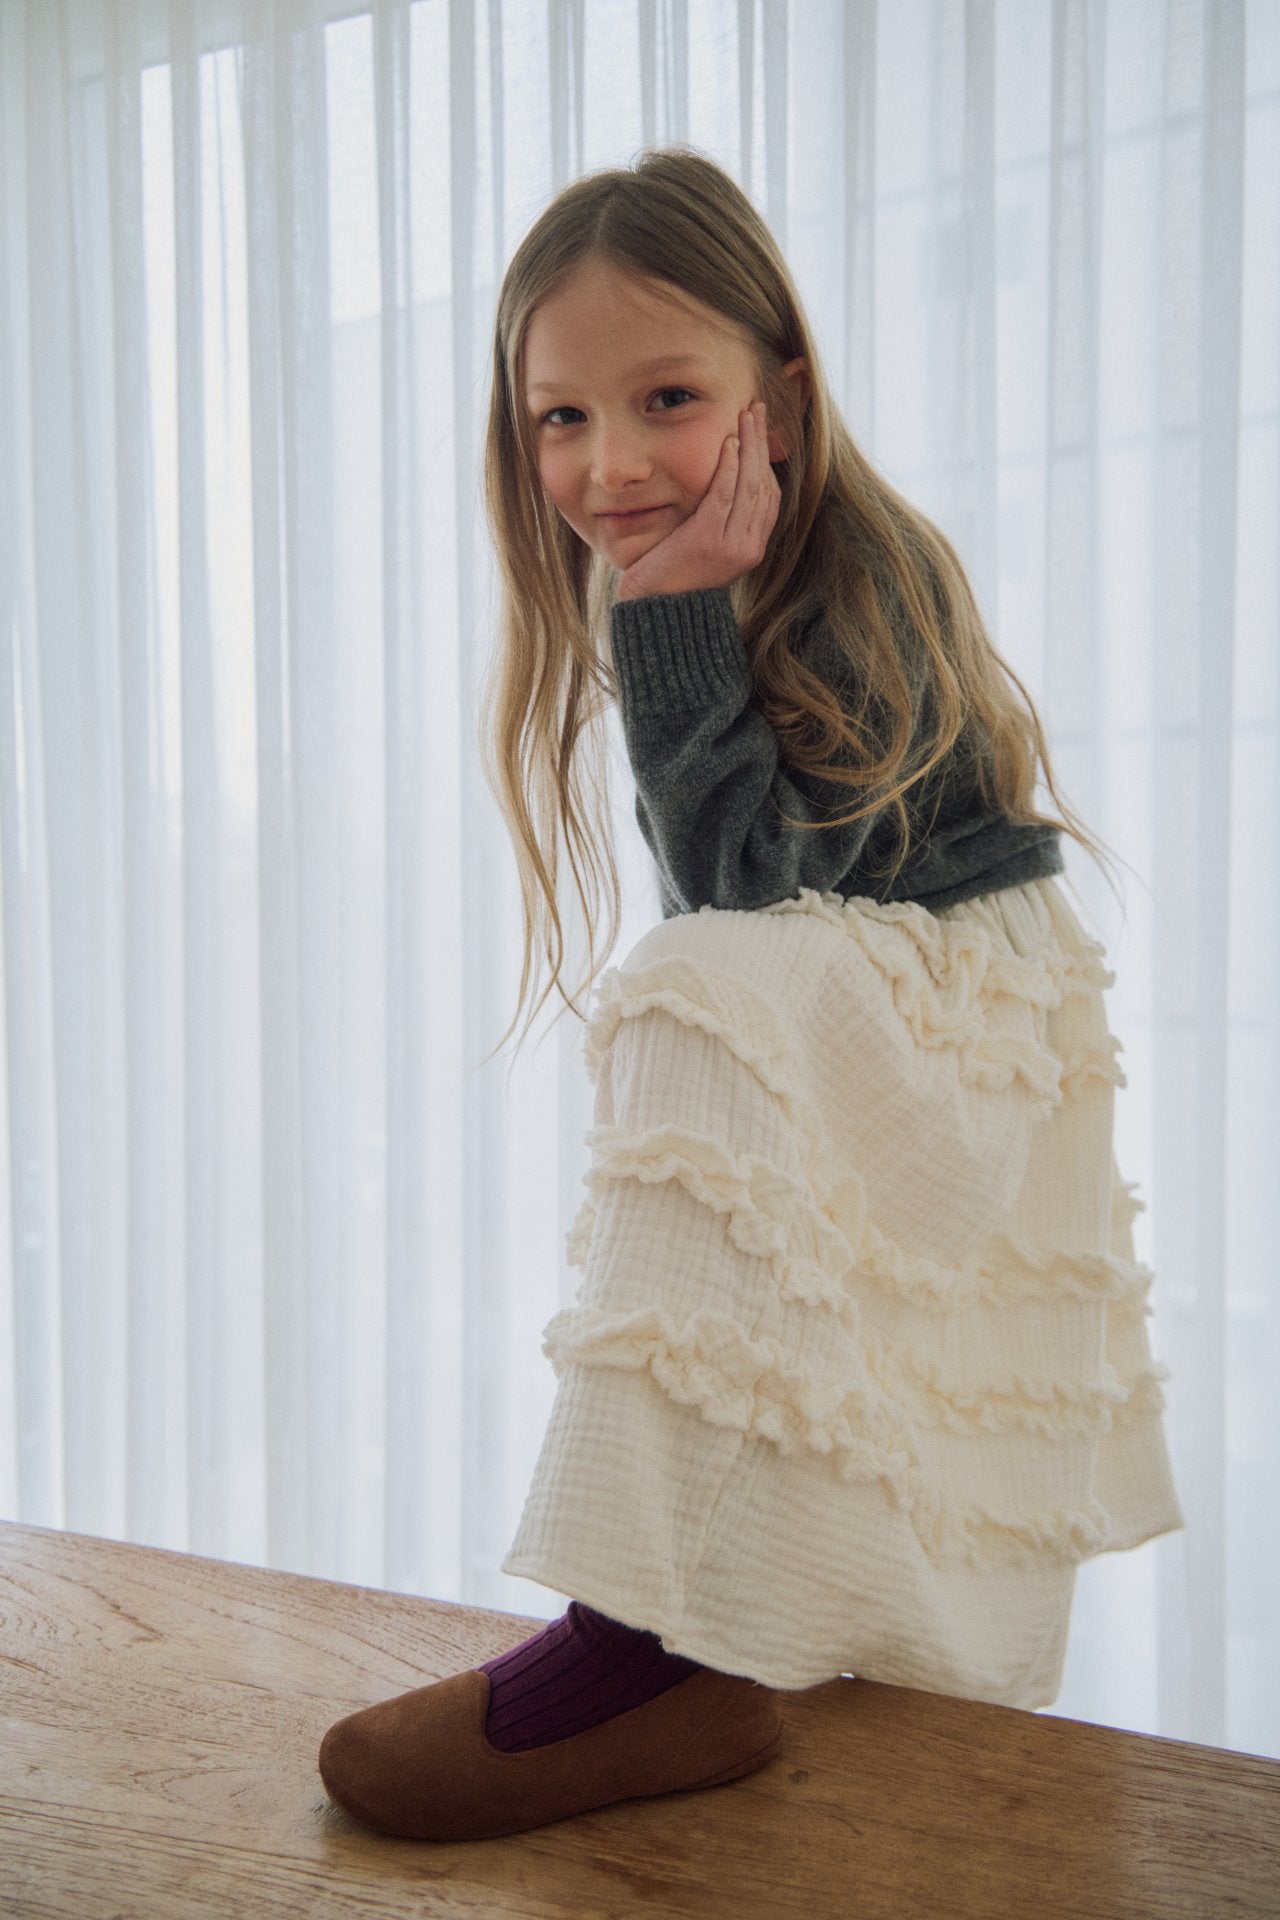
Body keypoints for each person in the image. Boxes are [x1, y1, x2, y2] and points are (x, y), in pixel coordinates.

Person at [318, 146, 1183, 1845]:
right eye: (561, 418)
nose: (611, 463)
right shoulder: (697, 575)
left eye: (667, 399)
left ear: (778, 402)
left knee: (695, 983)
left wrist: (673, 621)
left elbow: (747, 897)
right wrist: (670, 620)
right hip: (886, 974)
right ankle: (697, 1636)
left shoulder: (859, 574)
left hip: (974, 1017)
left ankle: (642, 1654)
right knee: (704, 1013)